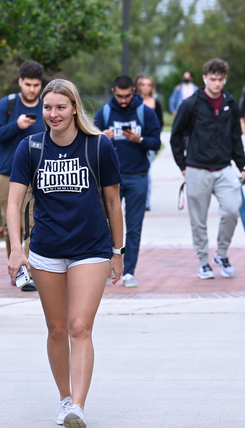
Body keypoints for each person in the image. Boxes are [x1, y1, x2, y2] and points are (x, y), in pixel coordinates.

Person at [7, 79, 124, 428]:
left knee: (79, 327)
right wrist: (16, 247)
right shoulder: (31, 148)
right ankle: (64, 398)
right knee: (57, 329)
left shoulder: (98, 147)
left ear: (74, 107)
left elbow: (112, 203)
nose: (53, 114)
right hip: (46, 251)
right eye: (47, 108)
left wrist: (118, 252)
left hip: (90, 249)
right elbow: (14, 202)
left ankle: (79, 407)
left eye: (60, 107)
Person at [170, 58, 245, 280]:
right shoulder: (191, 103)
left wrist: (242, 166)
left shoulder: (230, 103)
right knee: (198, 220)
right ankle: (203, 261)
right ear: (204, 78)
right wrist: (182, 165)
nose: (216, 83)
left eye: (220, 79)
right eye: (212, 79)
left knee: (232, 209)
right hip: (196, 168)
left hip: (223, 168)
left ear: (225, 79)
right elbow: (176, 135)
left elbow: (235, 138)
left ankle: (221, 254)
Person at [94, 75, 161, 288]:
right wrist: (101, 137)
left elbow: (156, 142)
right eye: (119, 96)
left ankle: (129, 271)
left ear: (134, 91)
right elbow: (88, 141)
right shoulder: (104, 113)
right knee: (105, 225)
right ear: (113, 91)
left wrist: (138, 139)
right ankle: (106, 267)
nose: (123, 100)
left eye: (127, 96)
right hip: (110, 180)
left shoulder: (146, 113)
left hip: (137, 177)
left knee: (134, 227)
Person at [0, 60, 45, 291]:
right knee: (10, 225)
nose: (32, 89)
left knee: (33, 225)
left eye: (36, 85)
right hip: (5, 175)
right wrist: (16, 125)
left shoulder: (45, 106)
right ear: (20, 81)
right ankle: (18, 270)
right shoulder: (7, 104)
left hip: (35, 175)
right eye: (28, 84)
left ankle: (29, 273)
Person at [137, 75, 163, 210]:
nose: (146, 87)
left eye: (148, 84)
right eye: (143, 84)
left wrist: (154, 139)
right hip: (134, 141)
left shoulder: (155, 102)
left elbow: (160, 123)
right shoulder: (134, 102)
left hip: (149, 141)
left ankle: (145, 201)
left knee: (146, 170)